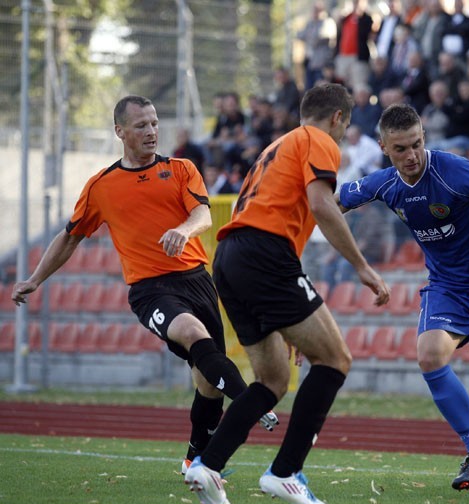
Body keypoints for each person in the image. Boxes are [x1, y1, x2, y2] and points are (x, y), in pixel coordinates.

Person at [11, 95, 277, 475]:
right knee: (190, 331)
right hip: (150, 290)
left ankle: (194, 458)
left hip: (197, 281)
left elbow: (201, 214)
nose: (152, 131)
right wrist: (35, 279)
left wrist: (183, 231)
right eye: (142, 126)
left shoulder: (181, 169)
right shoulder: (101, 186)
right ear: (120, 131)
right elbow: (70, 237)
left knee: (207, 383)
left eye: (154, 123)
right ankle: (252, 403)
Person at [183, 83, 390, 504]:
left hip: (232, 259)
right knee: (336, 360)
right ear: (337, 118)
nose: (340, 135)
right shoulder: (318, 140)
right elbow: (322, 203)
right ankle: (285, 472)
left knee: (273, 381)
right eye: (344, 126)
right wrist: (362, 266)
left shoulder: (277, 145)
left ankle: (207, 464)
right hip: (265, 256)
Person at [337, 103, 469, 491]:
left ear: (424, 138)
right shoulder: (384, 184)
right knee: (428, 354)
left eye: (417, 144)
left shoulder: (454, 170)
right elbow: (329, 202)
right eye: (401, 149)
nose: (412, 156)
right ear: (384, 148)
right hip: (447, 288)